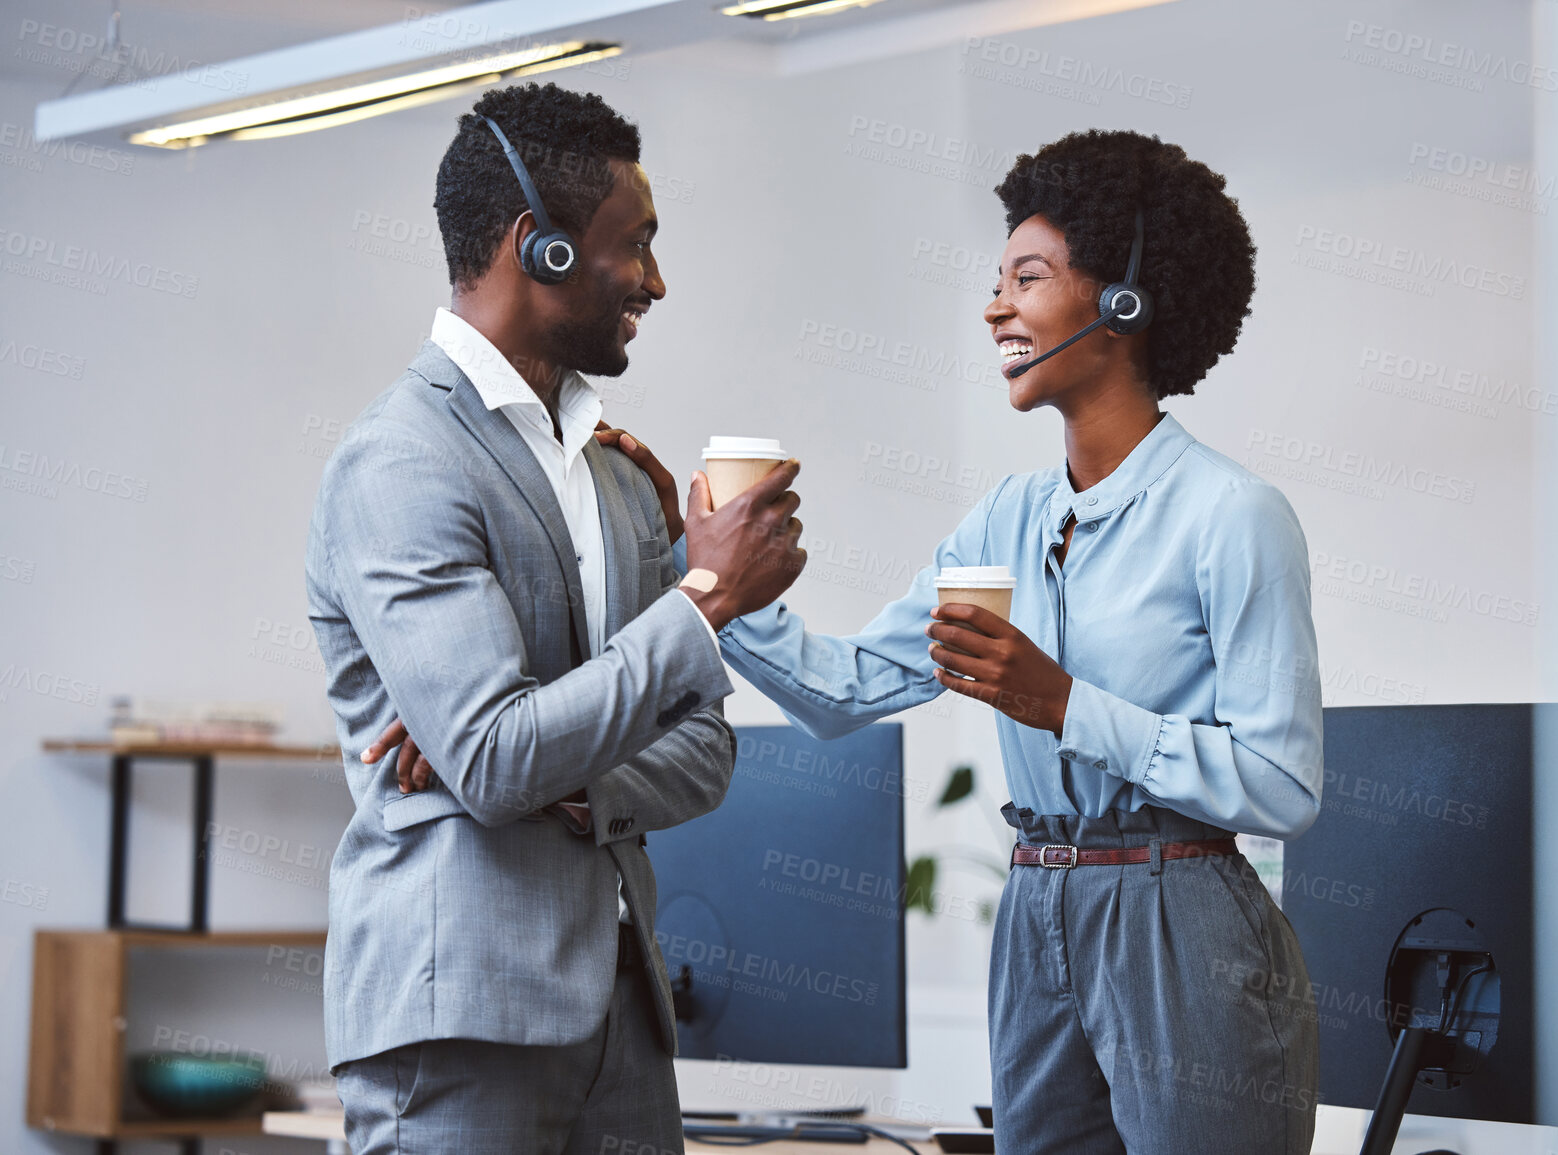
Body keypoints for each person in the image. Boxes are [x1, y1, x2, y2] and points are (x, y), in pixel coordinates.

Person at [603, 128, 1324, 1152]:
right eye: (998, 281)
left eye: (1027, 278)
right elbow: (844, 691)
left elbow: (1282, 786)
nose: (996, 306)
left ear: (1124, 303)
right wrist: (698, 559)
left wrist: (1067, 705)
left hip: (1183, 912)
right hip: (1037, 904)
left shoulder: (1231, 515)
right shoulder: (1007, 523)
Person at [306, 82, 805, 1155]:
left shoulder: (621, 482)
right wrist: (705, 596)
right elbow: (491, 756)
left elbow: (704, 752)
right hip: (461, 1022)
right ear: (543, 250)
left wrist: (564, 777)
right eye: (638, 245)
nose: (657, 282)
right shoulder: (403, 462)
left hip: (624, 1019)